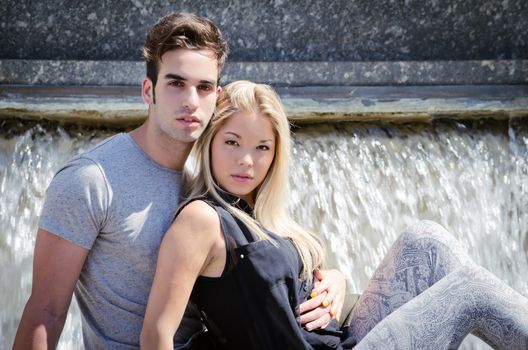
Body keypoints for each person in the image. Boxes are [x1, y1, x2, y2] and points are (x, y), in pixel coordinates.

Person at [12, 13, 345, 350]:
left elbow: (268, 263)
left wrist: (333, 281)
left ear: (217, 96)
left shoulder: (214, 179)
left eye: (203, 88)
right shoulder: (91, 180)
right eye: (175, 83)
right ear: (148, 90)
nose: (190, 101)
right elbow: (46, 312)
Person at [141, 80, 528, 350]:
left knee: (426, 240)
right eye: (232, 143)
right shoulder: (202, 219)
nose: (247, 161)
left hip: (344, 340)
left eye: (262, 147)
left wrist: (339, 281)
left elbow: (294, 300)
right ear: (209, 142)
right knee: (471, 289)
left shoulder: (260, 216)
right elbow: (156, 333)